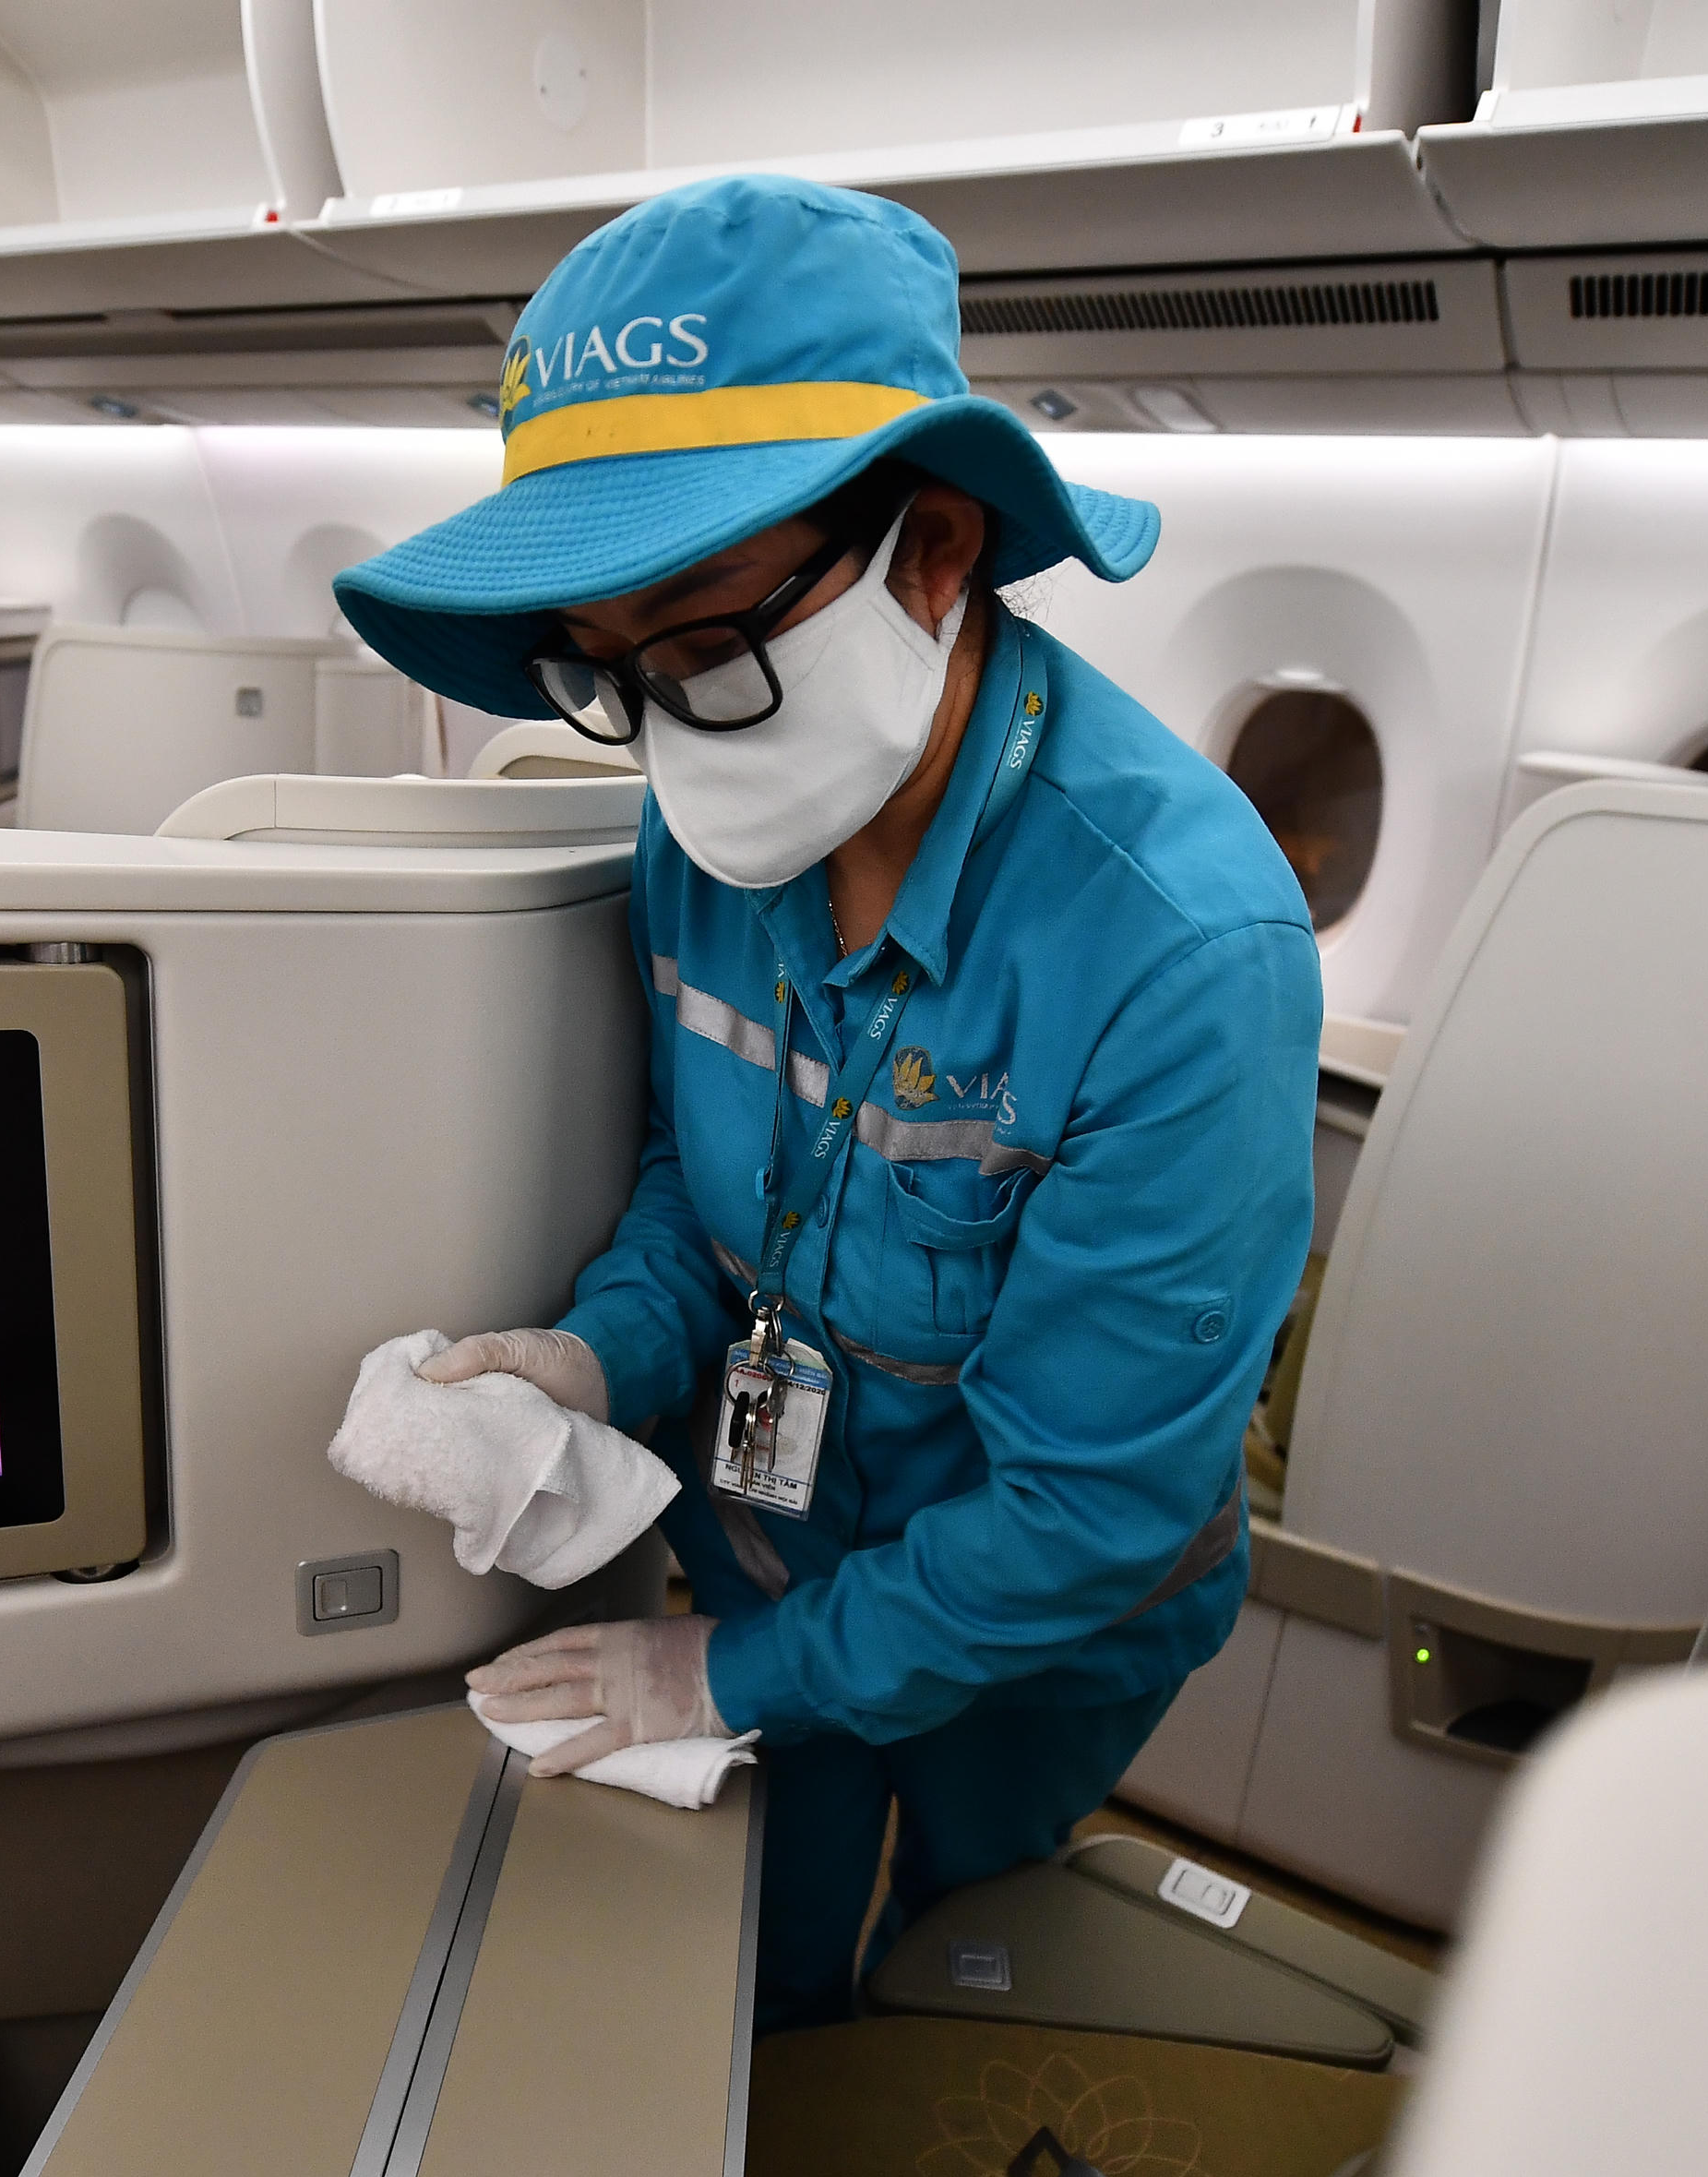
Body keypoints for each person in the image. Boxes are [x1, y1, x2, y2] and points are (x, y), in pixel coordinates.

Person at [335, 174, 1320, 2033]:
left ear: (932, 551)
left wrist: (729, 1675)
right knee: (752, 1976)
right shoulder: (709, 821)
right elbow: (696, 1180)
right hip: (765, 1541)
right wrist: (597, 1355)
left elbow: (1089, 1512)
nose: (662, 730)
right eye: (604, 675)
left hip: (1040, 1629)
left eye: (702, 651)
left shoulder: (1183, 949)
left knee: (947, 1976)